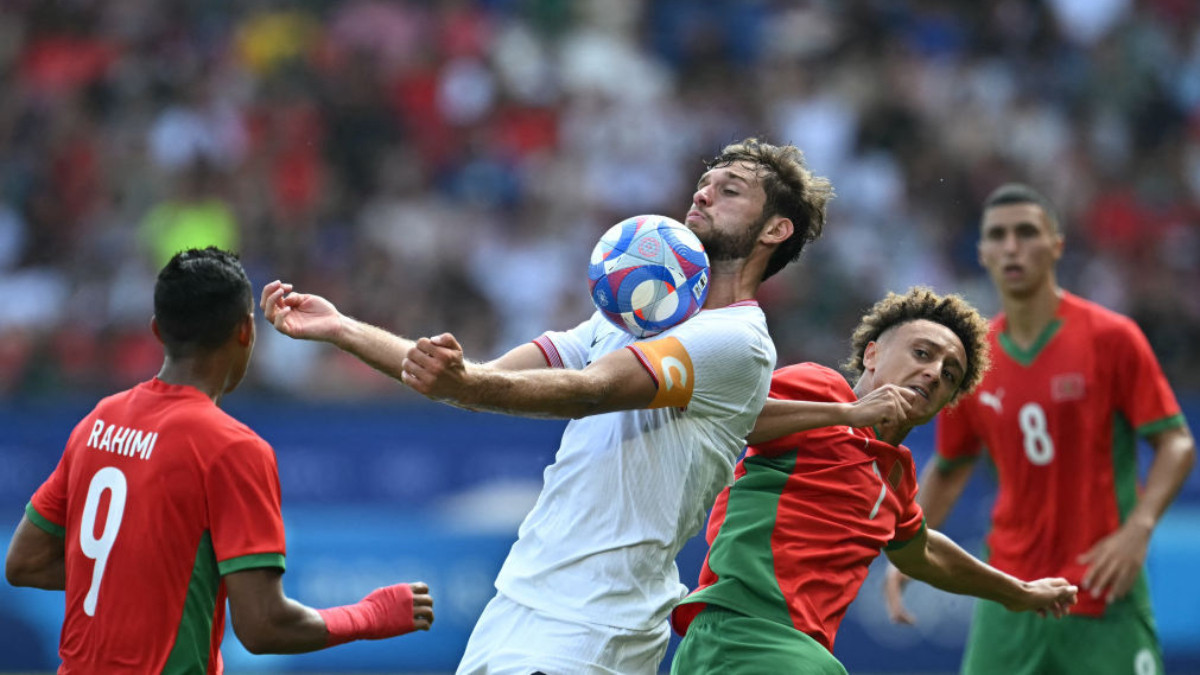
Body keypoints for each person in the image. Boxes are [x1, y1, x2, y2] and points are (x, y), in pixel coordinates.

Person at [259, 137, 834, 674]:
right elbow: (470, 381)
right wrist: (341, 330)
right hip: (520, 603)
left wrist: (466, 385)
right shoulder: (626, 319)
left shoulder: (737, 340)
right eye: (703, 183)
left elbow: (591, 391)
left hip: (598, 623)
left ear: (774, 229)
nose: (703, 193)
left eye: (729, 189)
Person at [5, 247, 434, 673]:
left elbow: (24, 562)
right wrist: (371, 615)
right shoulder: (232, 448)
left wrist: (143, 577)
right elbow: (264, 626)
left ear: (157, 330)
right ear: (246, 330)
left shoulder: (99, 421)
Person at [668, 286, 1079, 675]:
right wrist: (849, 414)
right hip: (744, 633)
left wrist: (1018, 593)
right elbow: (730, 417)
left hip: (796, 651)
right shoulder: (822, 389)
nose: (934, 373)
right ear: (872, 355)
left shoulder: (895, 474)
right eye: (922, 353)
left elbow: (922, 552)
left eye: (950, 374)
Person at [883, 184, 1196, 675]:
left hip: (1101, 588)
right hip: (1006, 592)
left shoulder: (1111, 338)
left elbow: (1175, 440)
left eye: (1026, 233)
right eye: (998, 236)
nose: (1012, 246)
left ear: (1056, 245)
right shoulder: (972, 359)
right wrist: (909, 551)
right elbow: (950, 465)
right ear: (982, 253)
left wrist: (1140, 528)